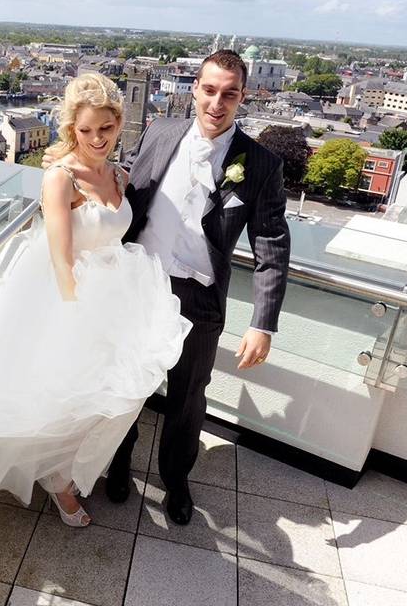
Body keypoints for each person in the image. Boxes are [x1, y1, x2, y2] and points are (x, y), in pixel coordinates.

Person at [0, 73, 191, 527]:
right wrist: (77, 316)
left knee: (102, 400)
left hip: (117, 297)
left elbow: (117, 234)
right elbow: (60, 258)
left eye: (106, 129)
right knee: (59, 399)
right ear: (72, 127)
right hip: (66, 300)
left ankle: (64, 472)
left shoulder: (120, 174)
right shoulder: (60, 178)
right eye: (86, 129)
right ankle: (58, 482)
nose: (97, 139)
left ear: (118, 125)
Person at [102, 50, 291, 525]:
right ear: (194, 89)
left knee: (188, 397)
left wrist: (263, 323)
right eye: (209, 89)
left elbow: (271, 243)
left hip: (198, 296)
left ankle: (176, 480)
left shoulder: (261, 163)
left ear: (244, 96)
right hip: (136, 282)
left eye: (230, 93)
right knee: (127, 382)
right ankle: (119, 462)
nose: (217, 102)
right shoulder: (159, 132)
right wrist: (70, 166)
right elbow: (124, 182)